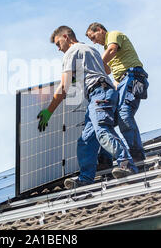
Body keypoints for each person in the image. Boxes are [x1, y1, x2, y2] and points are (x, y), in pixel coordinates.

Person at [37, 26, 138, 189]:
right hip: (103, 93)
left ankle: (127, 165)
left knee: (103, 131)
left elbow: (64, 86)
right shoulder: (90, 48)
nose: (58, 49)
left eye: (58, 43)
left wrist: (49, 111)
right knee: (86, 140)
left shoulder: (71, 52)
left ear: (65, 37)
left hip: (99, 94)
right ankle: (85, 178)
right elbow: (105, 70)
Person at [85, 23, 149, 162]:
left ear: (100, 30)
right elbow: (108, 71)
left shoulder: (113, 35)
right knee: (108, 119)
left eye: (93, 37)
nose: (94, 41)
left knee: (124, 114)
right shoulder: (105, 49)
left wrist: (96, 62)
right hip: (121, 81)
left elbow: (112, 50)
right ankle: (106, 158)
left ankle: (137, 154)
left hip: (132, 76)